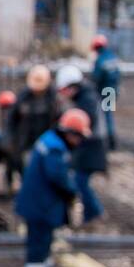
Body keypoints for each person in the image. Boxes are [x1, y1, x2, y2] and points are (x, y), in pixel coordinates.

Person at [14, 108, 91, 267]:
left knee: (45, 245)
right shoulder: (55, 148)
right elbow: (58, 176)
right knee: (38, 248)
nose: (79, 142)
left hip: (38, 204)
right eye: (78, 137)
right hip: (41, 207)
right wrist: (72, 193)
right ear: (70, 133)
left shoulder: (50, 139)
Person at [55, 63, 106, 223]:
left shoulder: (87, 99)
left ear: (73, 86)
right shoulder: (84, 96)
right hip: (89, 145)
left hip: (93, 146)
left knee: (80, 181)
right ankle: (92, 213)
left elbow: (84, 124)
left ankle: (94, 213)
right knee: (79, 180)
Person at [2, 65, 59, 190]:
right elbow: (12, 119)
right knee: (18, 162)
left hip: (45, 137)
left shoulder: (53, 99)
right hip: (25, 137)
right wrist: (9, 138)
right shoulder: (23, 97)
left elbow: (57, 120)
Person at [90, 34, 121, 151]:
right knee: (108, 114)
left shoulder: (100, 60)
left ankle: (110, 140)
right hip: (112, 90)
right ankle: (110, 139)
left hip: (105, 90)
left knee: (106, 115)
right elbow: (118, 75)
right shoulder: (112, 57)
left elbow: (96, 77)